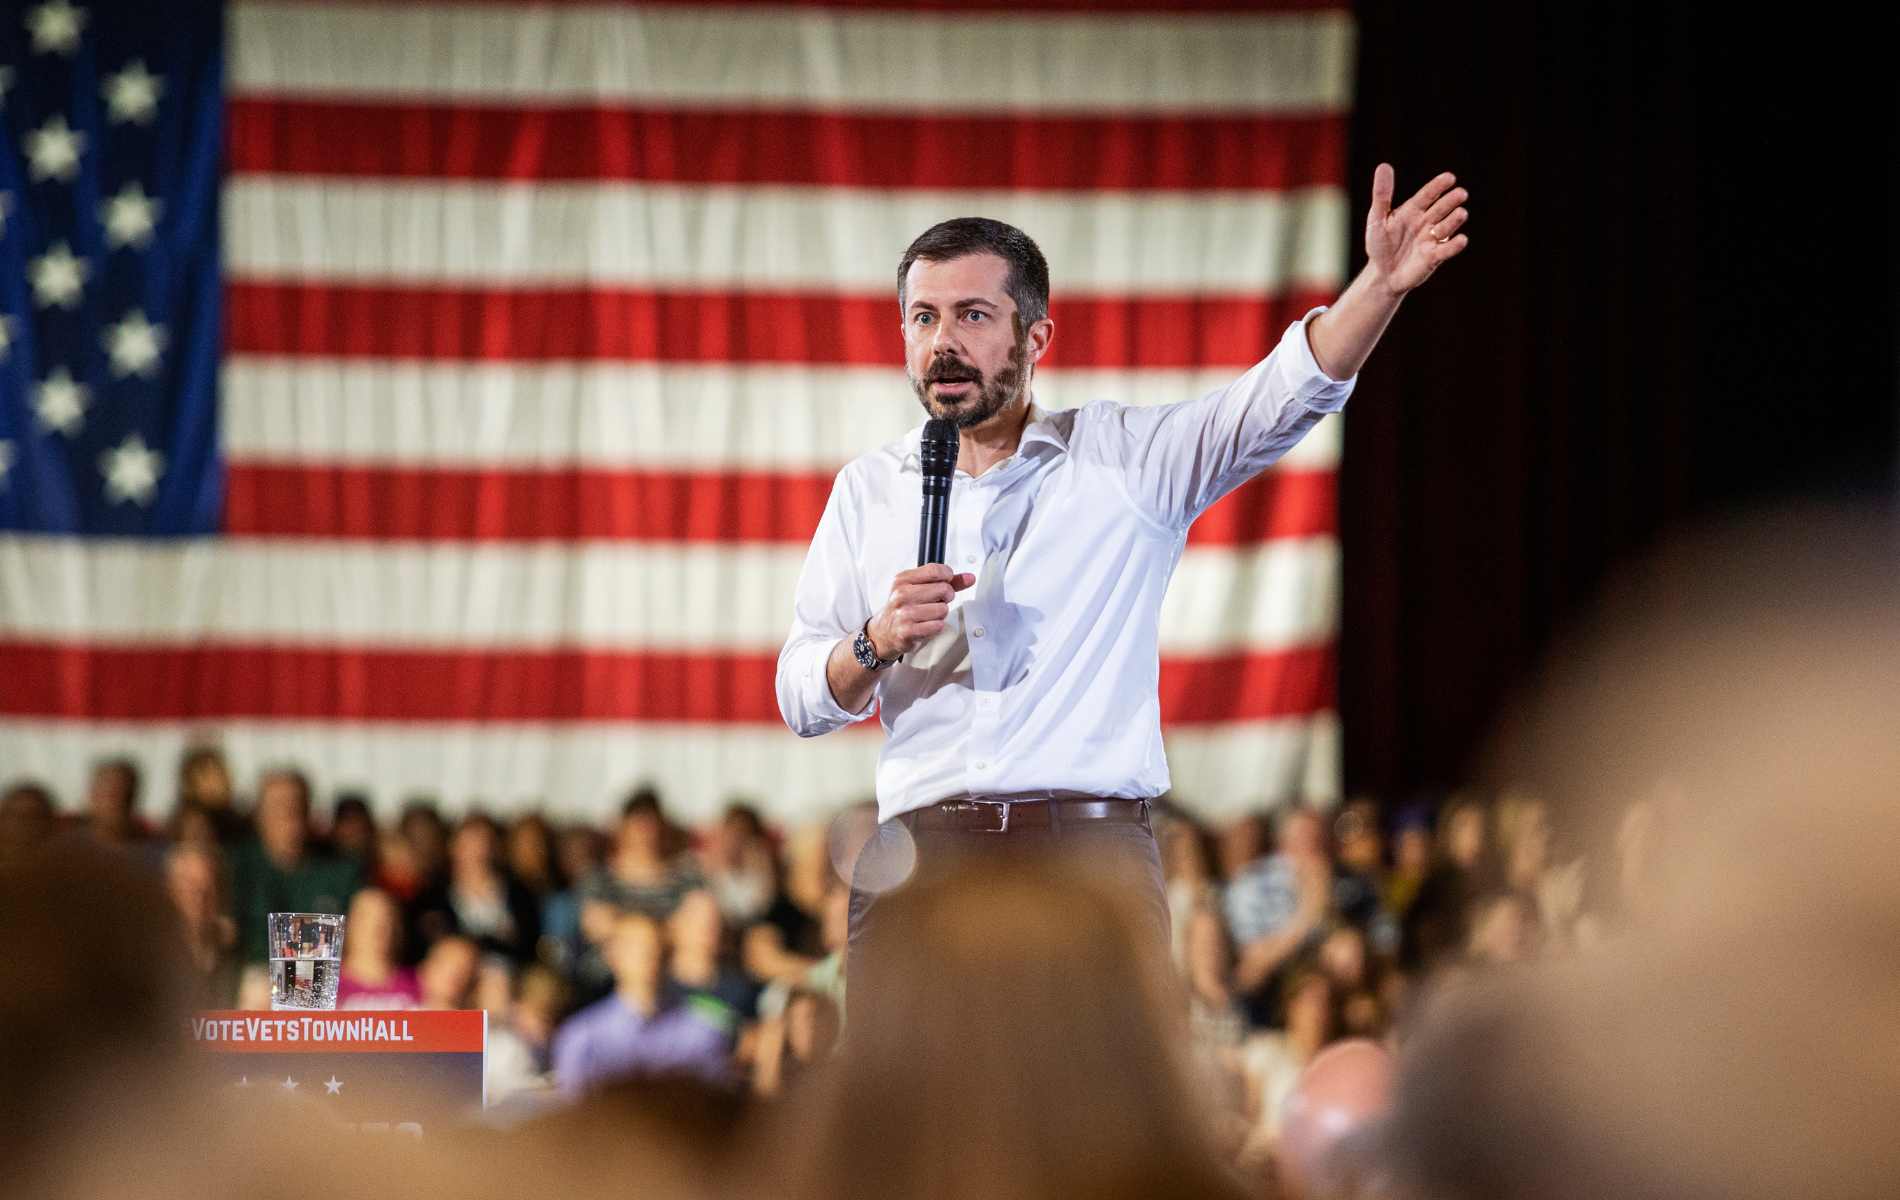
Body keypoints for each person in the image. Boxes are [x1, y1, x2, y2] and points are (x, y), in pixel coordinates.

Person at [773, 168, 1469, 988]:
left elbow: (1280, 398)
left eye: (972, 315)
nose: (941, 342)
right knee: (909, 1119)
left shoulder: (1125, 462)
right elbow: (801, 694)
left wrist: (1380, 287)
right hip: (923, 863)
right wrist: (875, 641)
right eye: (923, 318)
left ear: (1035, 338)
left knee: (1096, 1117)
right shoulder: (869, 489)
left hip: (1086, 862)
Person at [551, 911, 736, 1096]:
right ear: (612, 955)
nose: (649, 955)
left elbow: (718, 1108)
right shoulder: (585, 1038)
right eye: (635, 947)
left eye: (657, 947)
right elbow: (574, 1112)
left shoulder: (701, 1032)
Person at [227, 768, 361, 963]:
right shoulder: (235, 868)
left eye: (296, 805)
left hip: (321, 982)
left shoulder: (341, 870)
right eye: (278, 806)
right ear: (259, 814)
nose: (288, 814)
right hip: (249, 981)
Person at [335, 887, 423, 1009]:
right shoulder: (326, 988)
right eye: (365, 917)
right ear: (347, 924)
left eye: (387, 917)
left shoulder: (420, 984)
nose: (377, 926)